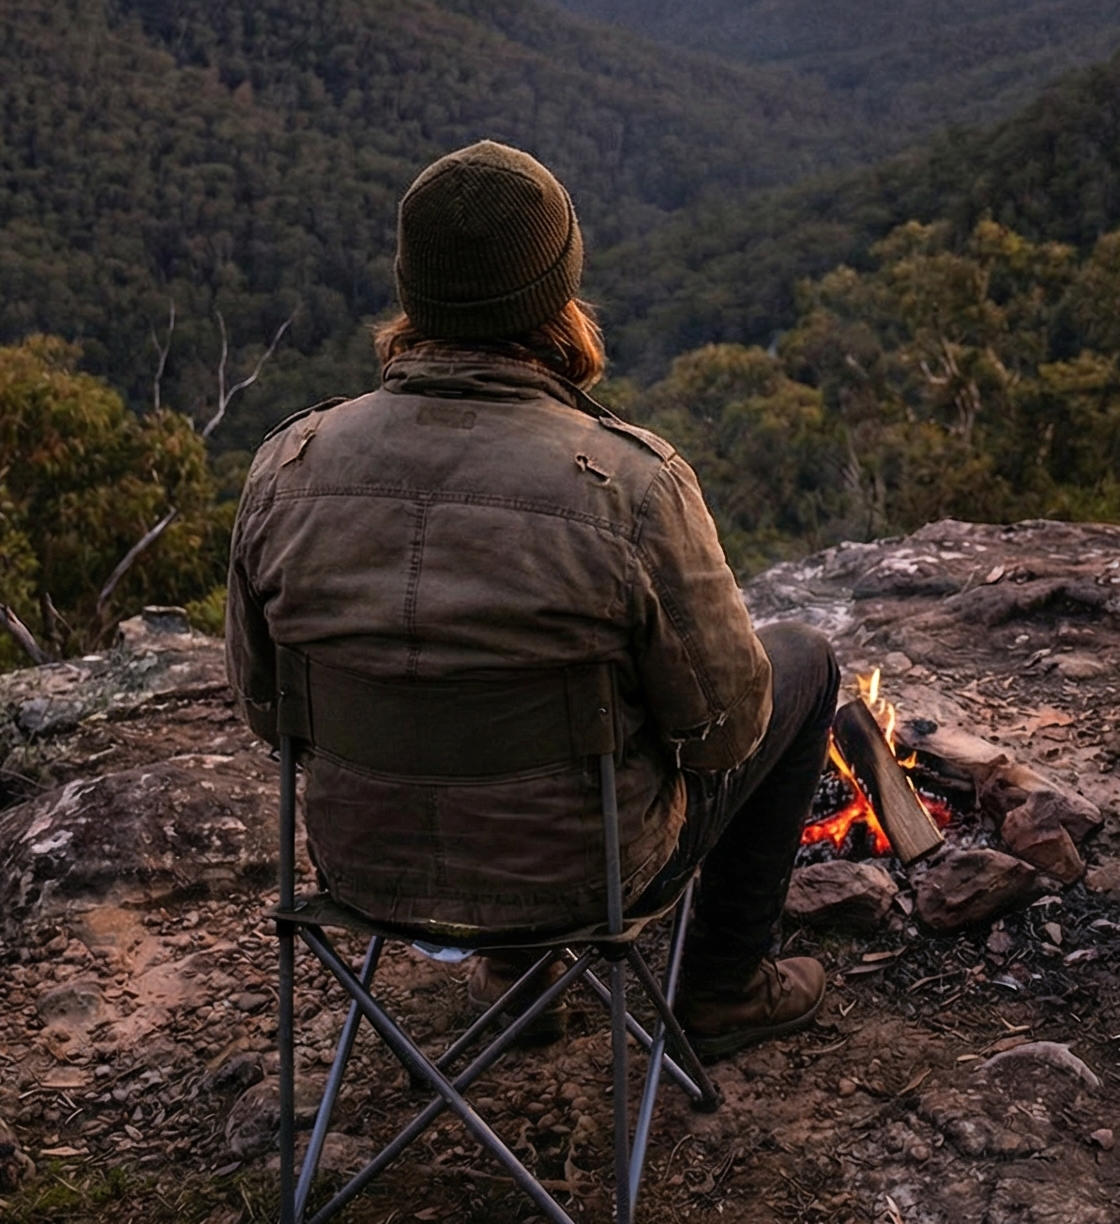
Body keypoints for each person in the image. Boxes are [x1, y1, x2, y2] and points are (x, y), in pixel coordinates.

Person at [226, 139, 838, 1057]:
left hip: (364, 871)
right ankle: (721, 989)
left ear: (411, 291)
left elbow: (269, 713)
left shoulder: (287, 468)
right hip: (586, 882)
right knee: (805, 663)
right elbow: (725, 730)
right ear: (558, 291)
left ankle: (519, 987)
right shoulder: (631, 485)